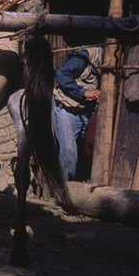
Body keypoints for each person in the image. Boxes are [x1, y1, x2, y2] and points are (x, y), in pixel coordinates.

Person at [53, 45, 103, 182]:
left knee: (89, 151)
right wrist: (84, 92)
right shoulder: (86, 56)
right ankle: (66, 191)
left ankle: (86, 188)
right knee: (68, 152)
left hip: (87, 111)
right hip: (67, 110)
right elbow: (62, 75)